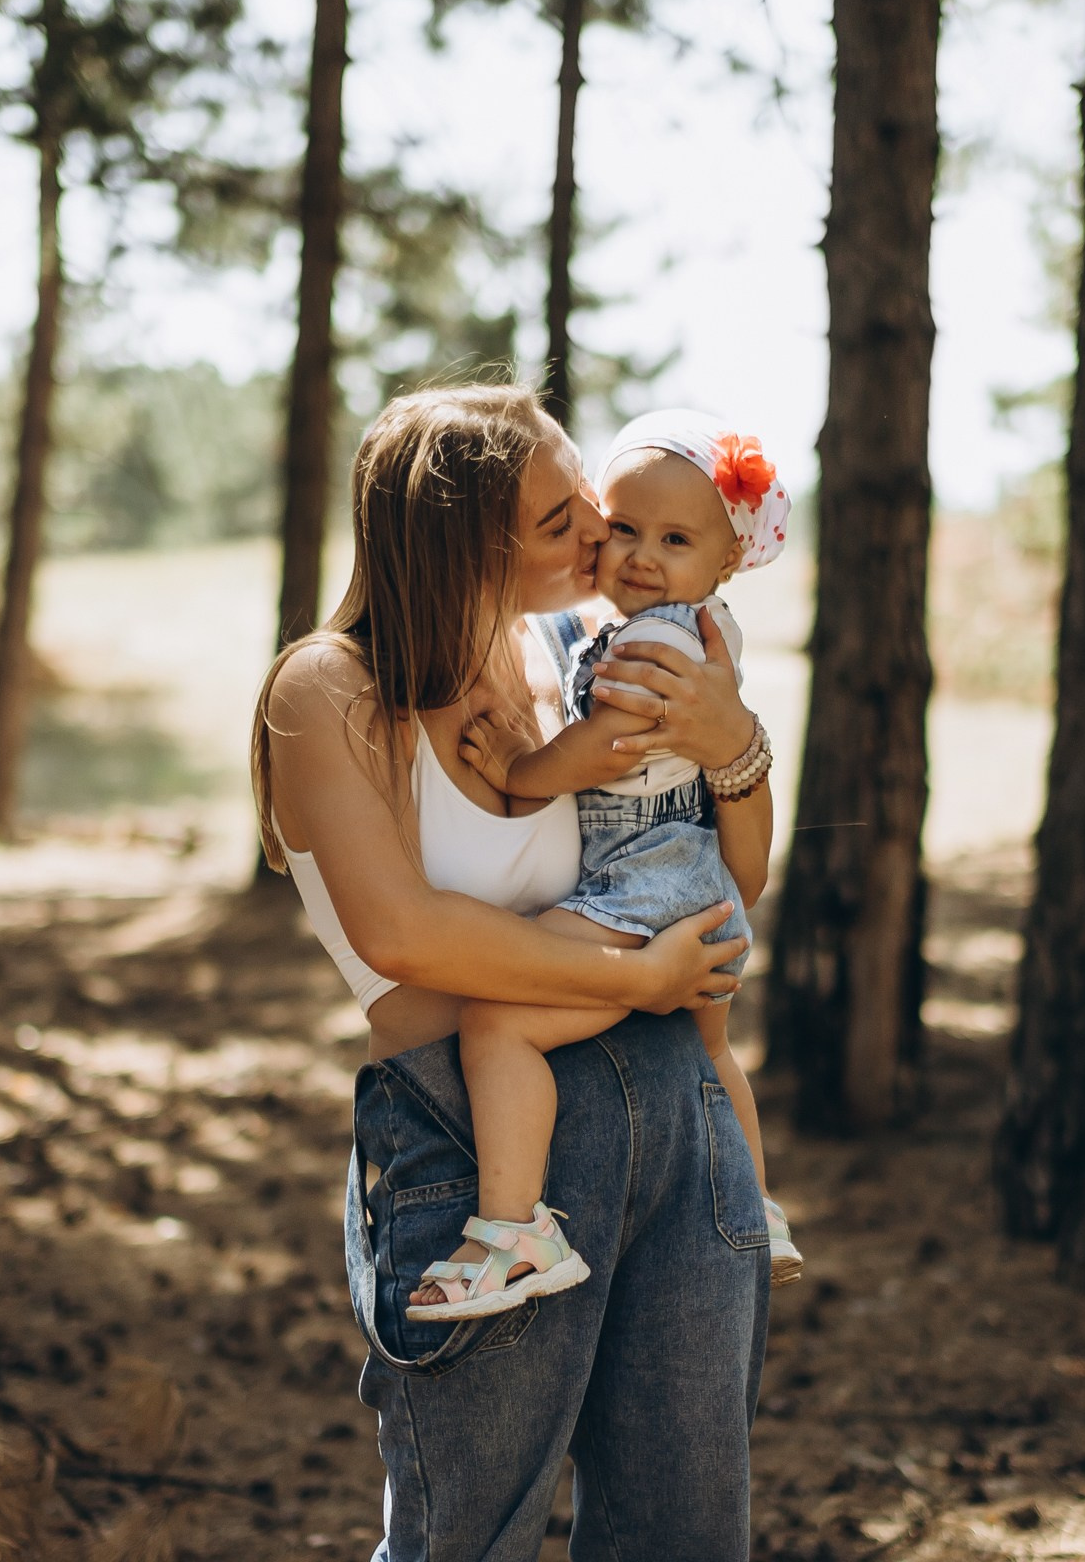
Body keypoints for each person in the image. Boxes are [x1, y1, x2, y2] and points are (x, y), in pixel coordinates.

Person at [251, 383, 775, 1560]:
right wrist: (636, 979)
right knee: (466, 1539)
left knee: (686, 1536)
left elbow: (722, 867)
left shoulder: (567, 657)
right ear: (464, 542)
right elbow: (405, 934)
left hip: (673, 1122)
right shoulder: (325, 691)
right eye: (561, 520)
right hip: (471, 1134)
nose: (600, 530)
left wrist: (735, 746)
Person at [415, 409, 802, 1323]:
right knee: (713, 1051)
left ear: (725, 561)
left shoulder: (658, 645)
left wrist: (517, 769)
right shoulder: (689, 629)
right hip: (689, 883)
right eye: (622, 526)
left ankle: (513, 1232)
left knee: (499, 1027)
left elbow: (607, 750)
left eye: (674, 539)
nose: (636, 554)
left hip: (647, 889)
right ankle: (757, 1206)